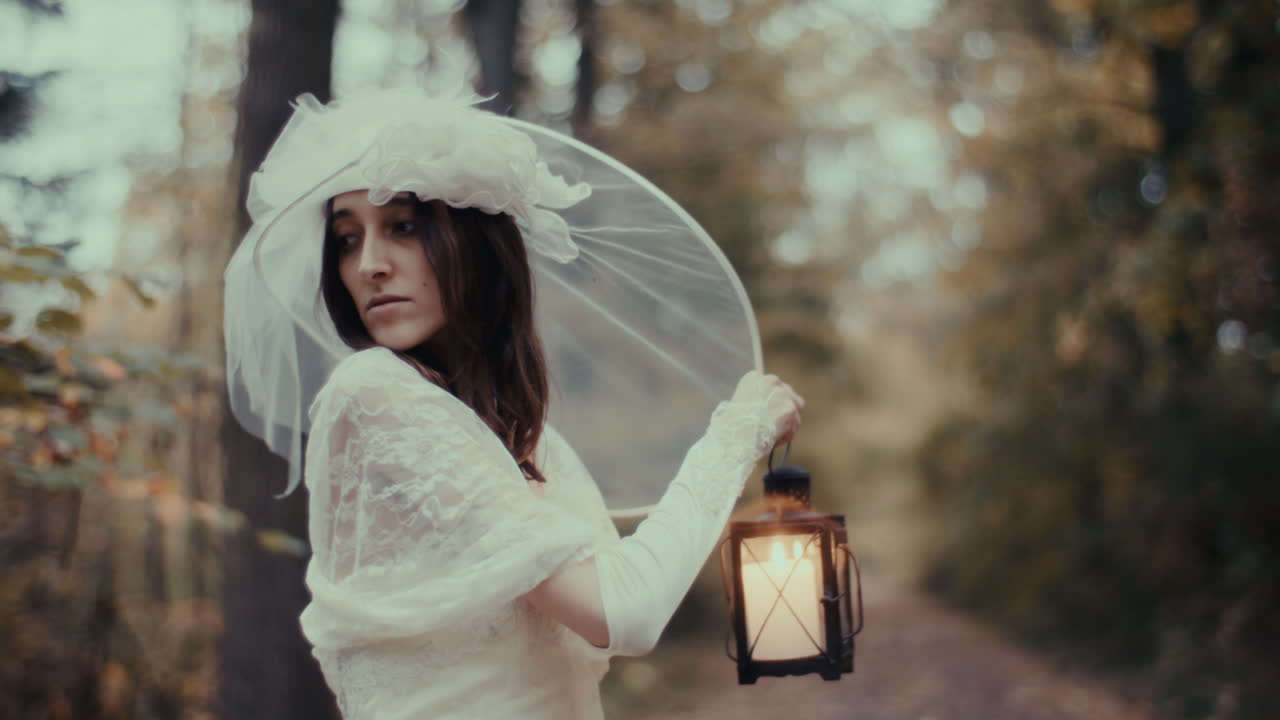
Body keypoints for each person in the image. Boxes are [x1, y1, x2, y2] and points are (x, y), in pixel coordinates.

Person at [224, 85, 803, 720]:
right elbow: (626, 613)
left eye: (402, 228)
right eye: (345, 239)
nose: (368, 266)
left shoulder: (521, 440)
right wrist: (733, 437)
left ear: (474, 244)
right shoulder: (373, 393)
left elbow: (621, 595)